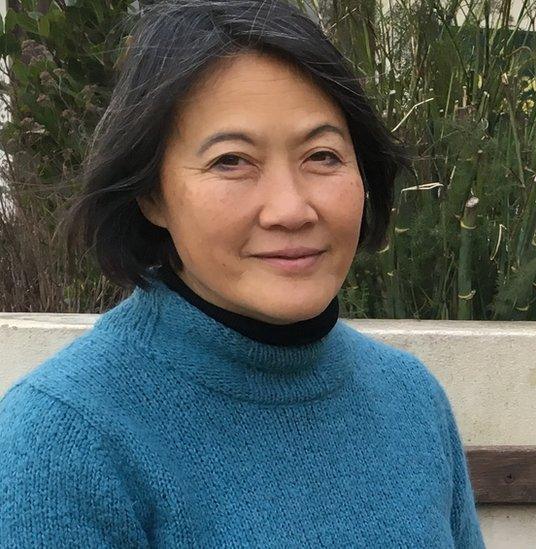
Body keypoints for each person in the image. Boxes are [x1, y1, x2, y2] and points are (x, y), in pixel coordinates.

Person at [0, 1, 485, 546]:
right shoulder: (63, 439)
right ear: (150, 193)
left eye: (322, 156)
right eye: (231, 161)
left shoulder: (410, 400)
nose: (291, 209)